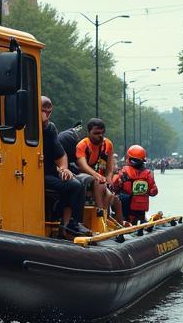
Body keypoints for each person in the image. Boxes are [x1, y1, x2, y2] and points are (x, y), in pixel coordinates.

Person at [41, 96, 88, 237]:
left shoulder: (50, 129)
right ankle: (64, 220)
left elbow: (61, 155)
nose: (46, 115)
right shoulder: (25, 127)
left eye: (49, 112)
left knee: (76, 183)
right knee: (73, 186)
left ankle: (69, 224)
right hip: (34, 173)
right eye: (43, 111)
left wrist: (64, 168)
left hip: (48, 172)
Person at [74, 118, 122, 223]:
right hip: (83, 177)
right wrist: (98, 176)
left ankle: (117, 224)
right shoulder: (82, 145)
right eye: (96, 133)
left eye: (102, 133)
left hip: (101, 180)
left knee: (115, 199)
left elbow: (110, 168)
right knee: (100, 184)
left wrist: (109, 179)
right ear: (89, 132)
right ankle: (100, 216)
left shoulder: (108, 144)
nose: (100, 136)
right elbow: (83, 166)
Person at [112, 144, 158, 229]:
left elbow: (115, 186)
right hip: (141, 208)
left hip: (126, 206)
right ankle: (141, 223)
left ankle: (123, 223)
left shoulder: (123, 171)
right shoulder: (148, 173)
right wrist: (145, 192)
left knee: (119, 197)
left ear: (129, 159)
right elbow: (154, 191)